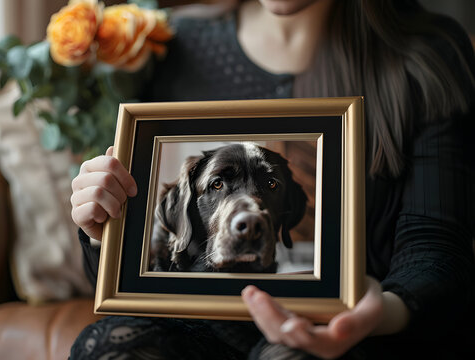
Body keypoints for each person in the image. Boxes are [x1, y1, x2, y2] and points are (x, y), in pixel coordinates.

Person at [69, 0, 475, 358]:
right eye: (218, 185)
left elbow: (435, 246)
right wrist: (104, 229)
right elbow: (133, 281)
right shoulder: (174, 46)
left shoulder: (425, 52)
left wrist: (374, 313)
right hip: (202, 332)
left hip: (366, 335)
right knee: (113, 344)